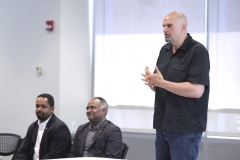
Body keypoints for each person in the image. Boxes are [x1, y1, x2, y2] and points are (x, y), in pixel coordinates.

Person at [142, 11, 210, 160]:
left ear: (183, 27)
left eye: (169, 26)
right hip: (163, 125)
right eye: (163, 26)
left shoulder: (197, 51)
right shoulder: (165, 50)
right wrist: (153, 83)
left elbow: (197, 90)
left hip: (185, 129)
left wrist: (162, 83)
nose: (164, 29)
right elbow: (162, 85)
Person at [16, 93, 72, 160]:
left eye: (43, 106)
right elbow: (24, 152)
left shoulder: (60, 128)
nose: (39, 109)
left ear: (52, 109)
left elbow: (53, 156)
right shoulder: (32, 127)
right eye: (37, 106)